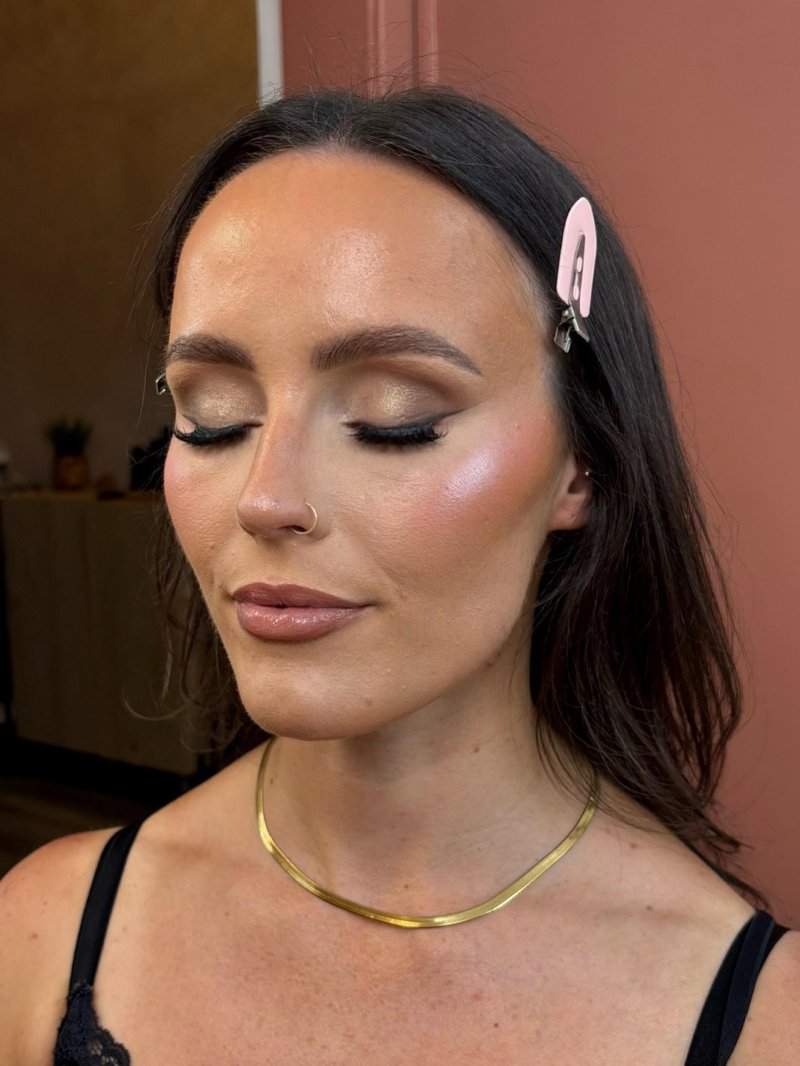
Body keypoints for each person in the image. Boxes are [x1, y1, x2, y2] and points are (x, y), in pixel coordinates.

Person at [1, 84, 798, 1065]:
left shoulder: (762, 1021)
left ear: (579, 463)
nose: (265, 498)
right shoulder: (40, 939)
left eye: (393, 420)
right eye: (212, 419)